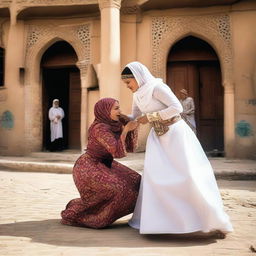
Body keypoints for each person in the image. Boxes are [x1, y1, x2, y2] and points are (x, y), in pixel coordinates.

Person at [121, 61, 233, 237]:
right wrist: (116, 115)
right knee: (156, 179)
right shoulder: (137, 95)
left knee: (188, 176)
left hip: (175, 135)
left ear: (137, 77)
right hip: (157, 139)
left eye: (128, 83)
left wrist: (149, 117)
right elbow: (134, 116)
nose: (128, 87)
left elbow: (177, 108)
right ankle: (160, 224)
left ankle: (212, 221)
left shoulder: (157, 87)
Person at [61, 98, 141, 228]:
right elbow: (117, 152)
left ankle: (100, 211)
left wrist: (128, 125)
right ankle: (89, 216)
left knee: (137, 181)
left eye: (119, 108)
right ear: (104, 111)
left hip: (105, 164)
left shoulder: (114, 125)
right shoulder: (99, 128)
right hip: (88, 167)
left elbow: (130, 148)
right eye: (116, 108)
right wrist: (126, 130)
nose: (119, 111)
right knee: (119, 190)